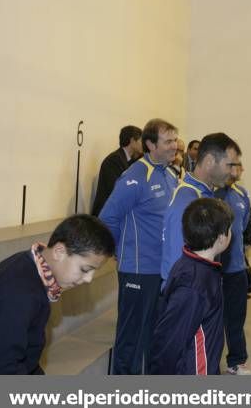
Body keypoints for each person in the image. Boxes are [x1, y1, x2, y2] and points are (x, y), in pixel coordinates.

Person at [100, 118, 179, 375]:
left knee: (155, 336)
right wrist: (119, 252)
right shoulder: (135, 176)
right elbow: (108, 218)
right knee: (131, 338)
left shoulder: (169, 174)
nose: (174, 146)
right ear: (150, 144)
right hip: (138, 270)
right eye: (168, 141)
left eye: (175, 140)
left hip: (163, 270)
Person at [0, 215, 115, 374]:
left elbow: (27, 359)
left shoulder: (33, 270)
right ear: (59, 252)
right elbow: (5, 366)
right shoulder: (20, 293)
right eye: (85, 269)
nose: (89, 279)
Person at [151, 198, 233, 375]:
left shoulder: (196, 266)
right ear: (221, 238)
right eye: (230, 229)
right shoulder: (195, 285)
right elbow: (170, 341)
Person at [161, 133, 241, 285]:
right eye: (229, 165)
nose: (233, 172)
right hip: (188, 297)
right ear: (210, 161)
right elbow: (178, 267)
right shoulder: (187, 201)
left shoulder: (206, 195)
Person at [215, 160, 251, 375]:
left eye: (240, 165)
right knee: (212, 318)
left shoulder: (242, 193)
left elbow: (245, 222)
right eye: (234, 165)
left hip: (237, 268)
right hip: (213, 267)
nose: (239, 170)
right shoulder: (210, 193)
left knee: (236, 317)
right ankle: (210, 360)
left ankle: (237, 360)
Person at [92, 125, 142, 216]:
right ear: (132, 141)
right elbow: (117, 190)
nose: (143, 145)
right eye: (141, 140)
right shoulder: (113, 160)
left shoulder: (131, 160)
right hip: (106, 215)